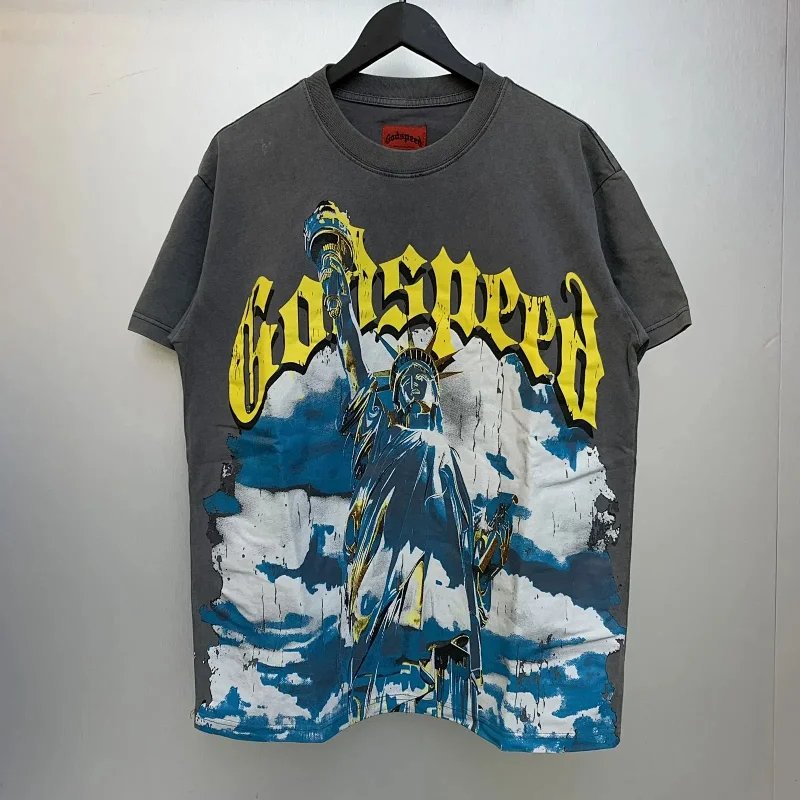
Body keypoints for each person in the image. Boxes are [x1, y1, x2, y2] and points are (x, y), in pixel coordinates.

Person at [304, 202, 515, 727]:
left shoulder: (446, 460)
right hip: (386, 585)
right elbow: (352, 353)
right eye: (408, 381)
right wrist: (333, 269)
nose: (419, 385)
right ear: (395, 395)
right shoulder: (382, 433)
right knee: (381, 697)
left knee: (449, 694)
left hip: (446, 604)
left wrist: (491, 542)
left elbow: (472, 551)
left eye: (425, 380)